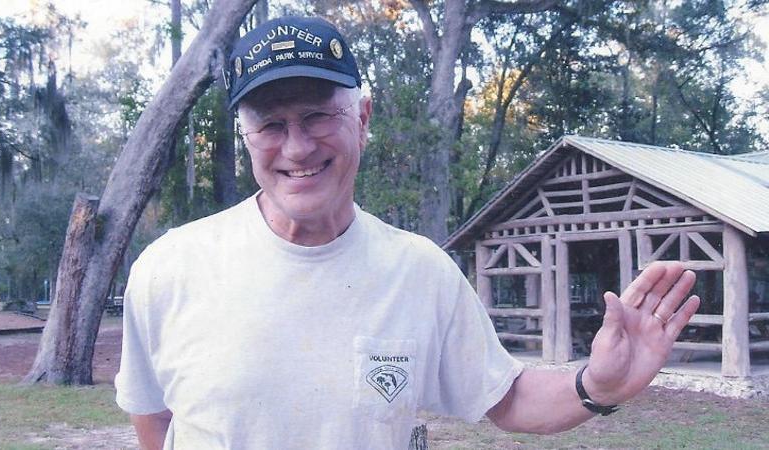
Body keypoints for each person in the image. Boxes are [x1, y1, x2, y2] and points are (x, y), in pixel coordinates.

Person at [114, 16, 701, 450]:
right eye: (270, 124)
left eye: (319, 115)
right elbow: (153, 422)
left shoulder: (419, 271)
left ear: (362, 120)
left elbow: (506, 397)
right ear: (246, 139)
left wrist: (598, 384)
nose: (296, 147)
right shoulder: (170, 269)